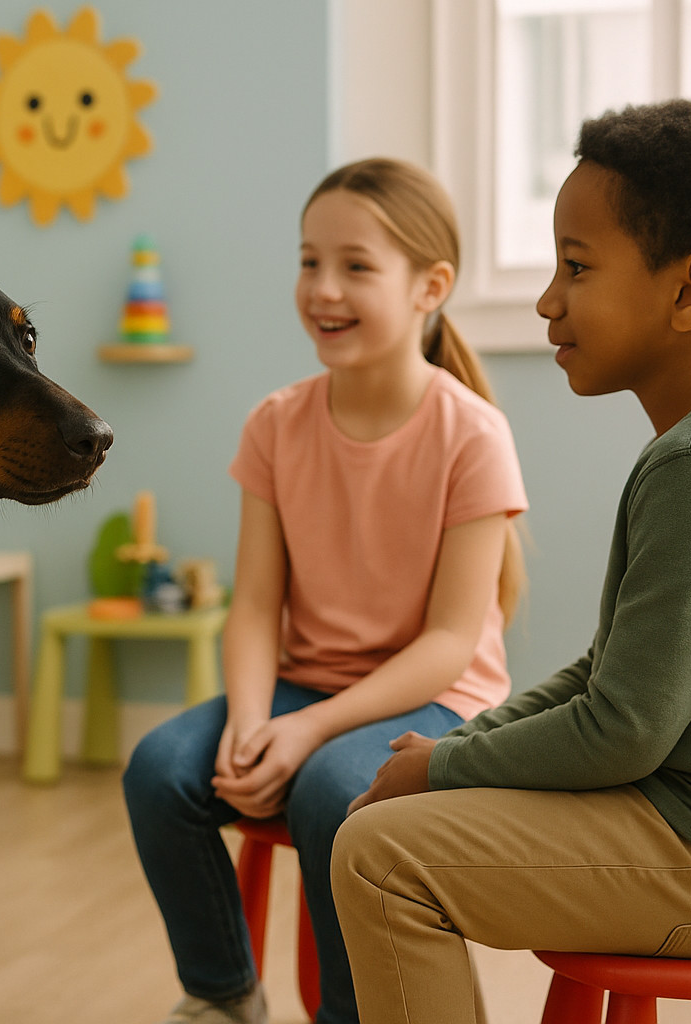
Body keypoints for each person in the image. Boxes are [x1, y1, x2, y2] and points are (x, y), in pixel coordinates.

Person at [331, 96, 691, 1024]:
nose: (547, 300)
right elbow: (610, 677)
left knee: (379, 857)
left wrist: (437, 771)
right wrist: (457, 749)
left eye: (577, 267)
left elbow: (622, 731)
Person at [122, 157, 529, 1024]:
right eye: (310, 261)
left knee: (330, 790)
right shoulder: (276, 423)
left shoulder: (472, 435)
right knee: (159, 771)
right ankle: (225, 994)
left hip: (436, 697)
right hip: (305, 678)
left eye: (355, 266)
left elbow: (452, 644)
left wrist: (302, 728)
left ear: (432, 287)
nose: (323, 288)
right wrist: (246, 719)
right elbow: (257, 605)